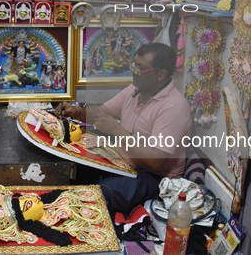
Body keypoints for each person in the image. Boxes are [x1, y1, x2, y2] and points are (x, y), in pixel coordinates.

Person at [55, 42, 192, 215]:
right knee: (72, 166)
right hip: (120, 162)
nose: (134, 71)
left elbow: (155, 161)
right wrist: (77, 112)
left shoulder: (173, 108)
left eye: (141, 68)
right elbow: (100, 112)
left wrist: (117, 130)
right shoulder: (135, 90)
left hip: (153, 178)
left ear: (161, 74)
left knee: (101, 194)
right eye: (134, 65)